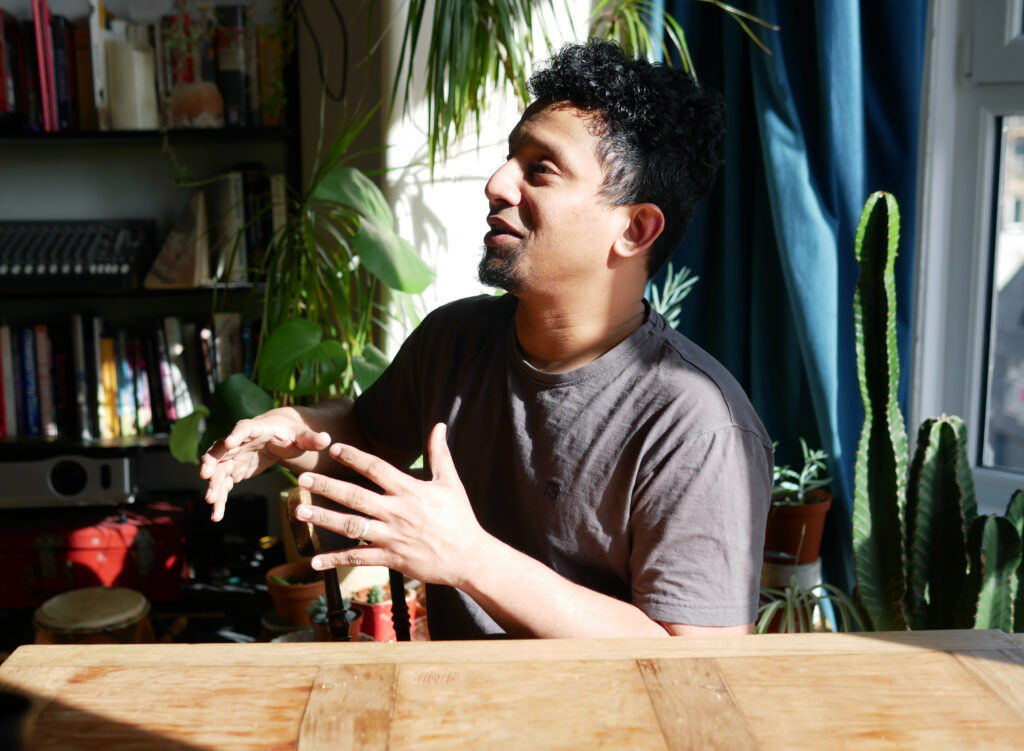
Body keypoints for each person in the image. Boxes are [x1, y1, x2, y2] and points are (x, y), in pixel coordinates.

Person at [201, 40, 772, 639]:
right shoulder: (456, 338)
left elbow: (697, 662)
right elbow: (371, 434)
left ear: (634, 229)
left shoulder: (698, 423)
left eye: (540, 169)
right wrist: (292, 431)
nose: (497, 184)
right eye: (509, 159)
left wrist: (469, 559)